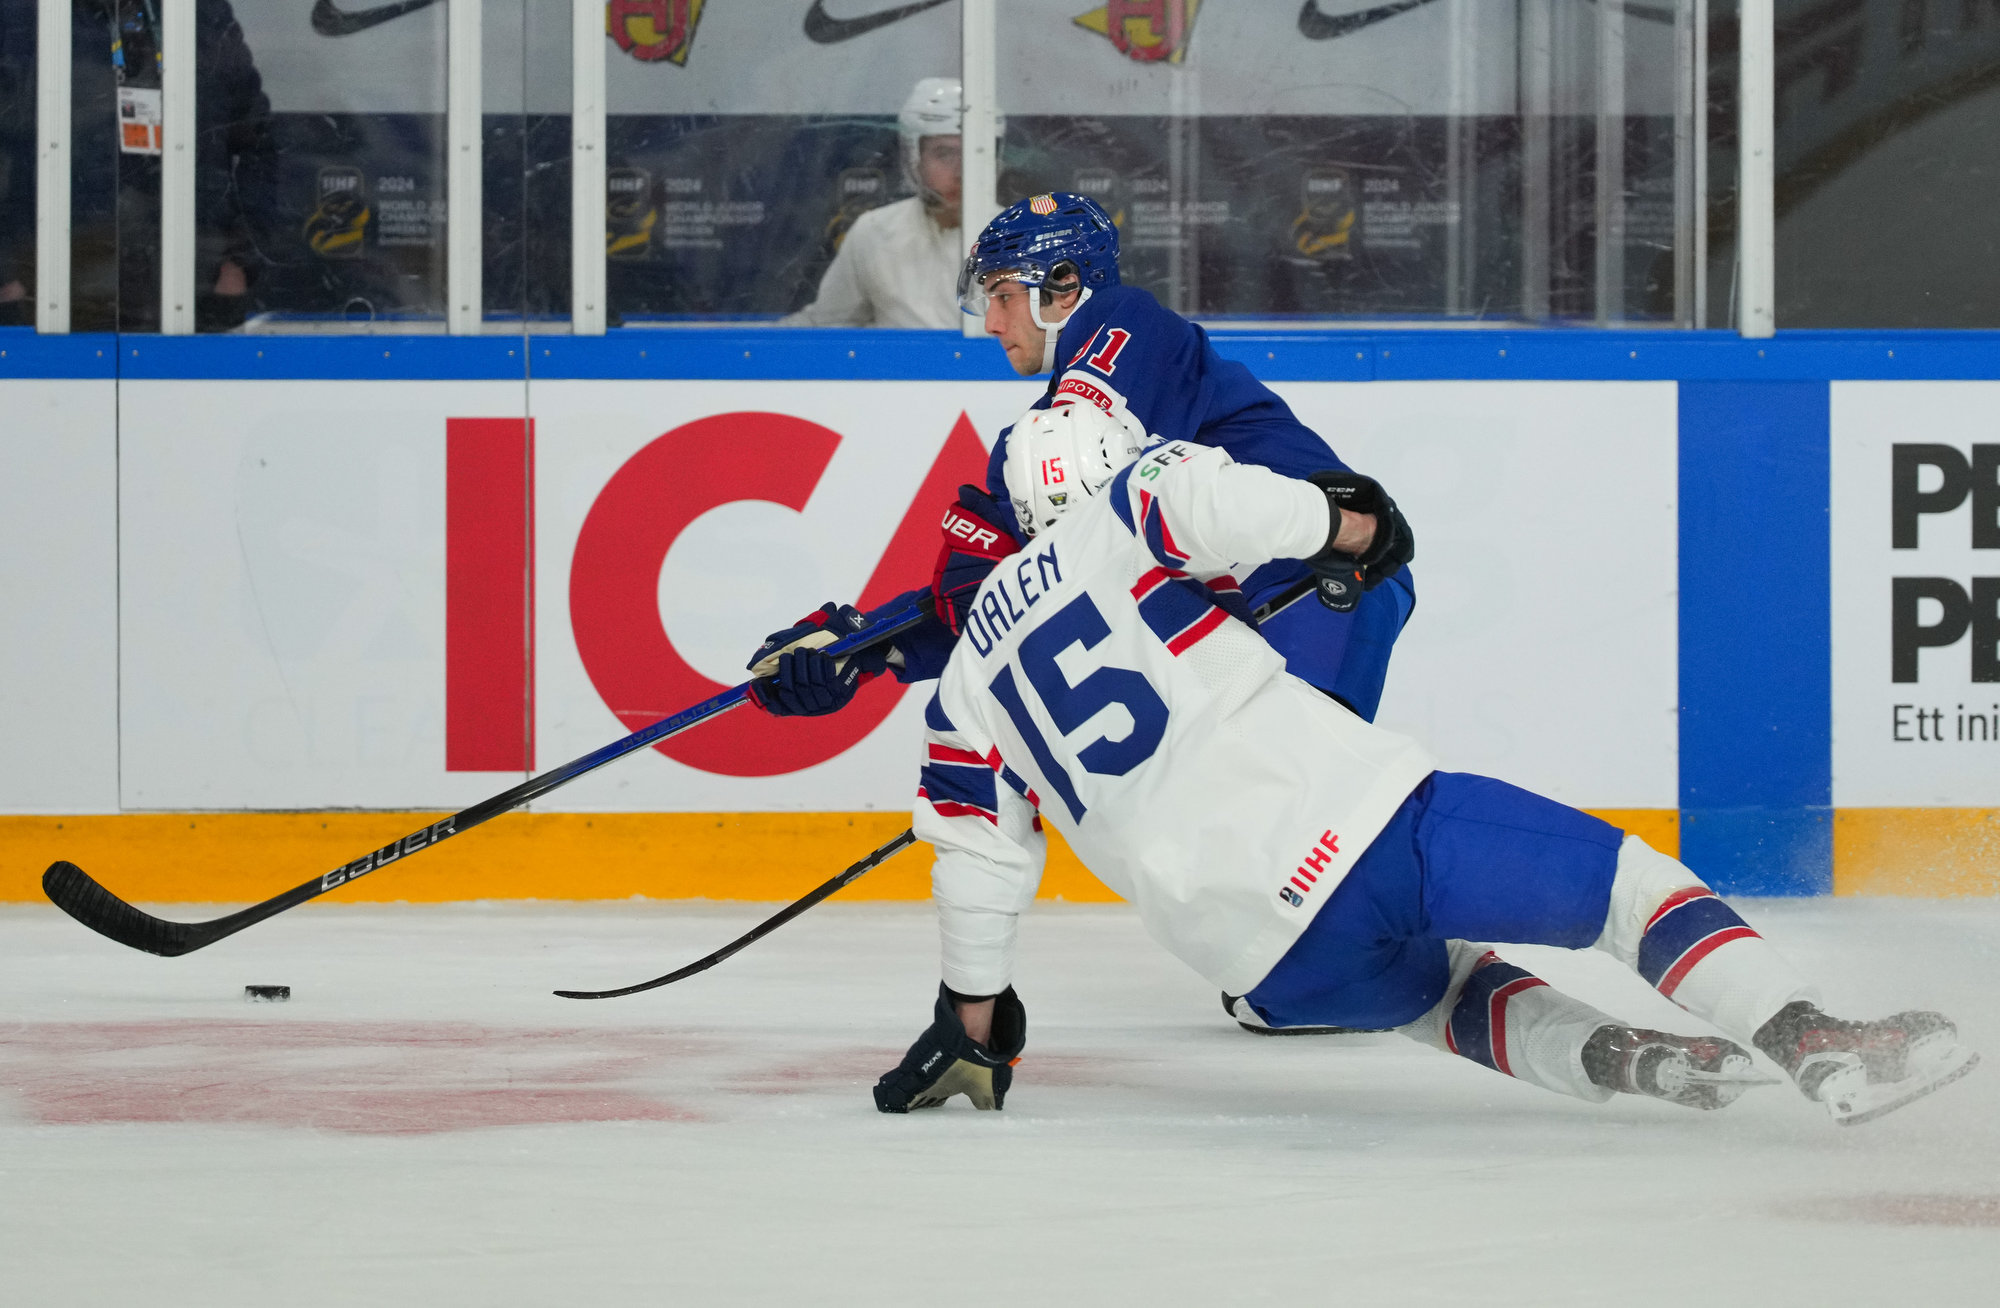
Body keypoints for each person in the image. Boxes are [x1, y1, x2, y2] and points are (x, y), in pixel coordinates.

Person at [868, 403, 1978, 1125]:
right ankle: (1811, 1039)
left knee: (1443, 991)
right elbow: (1215, 499)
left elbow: (975, 865)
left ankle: (1633, 1062)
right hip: (1353, 830)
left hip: (1257, 963)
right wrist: (1341, 526)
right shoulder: (1125, 504)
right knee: (1629, 892)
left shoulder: (963, 691)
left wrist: (971, 1026)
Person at [782, 77, 964, 329]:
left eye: (974, 152)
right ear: (914, 157)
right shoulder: (875, 232)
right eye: (944, 154)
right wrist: (752, 345)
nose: (960, 171)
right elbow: (826, 324)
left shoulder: (1017, 239)